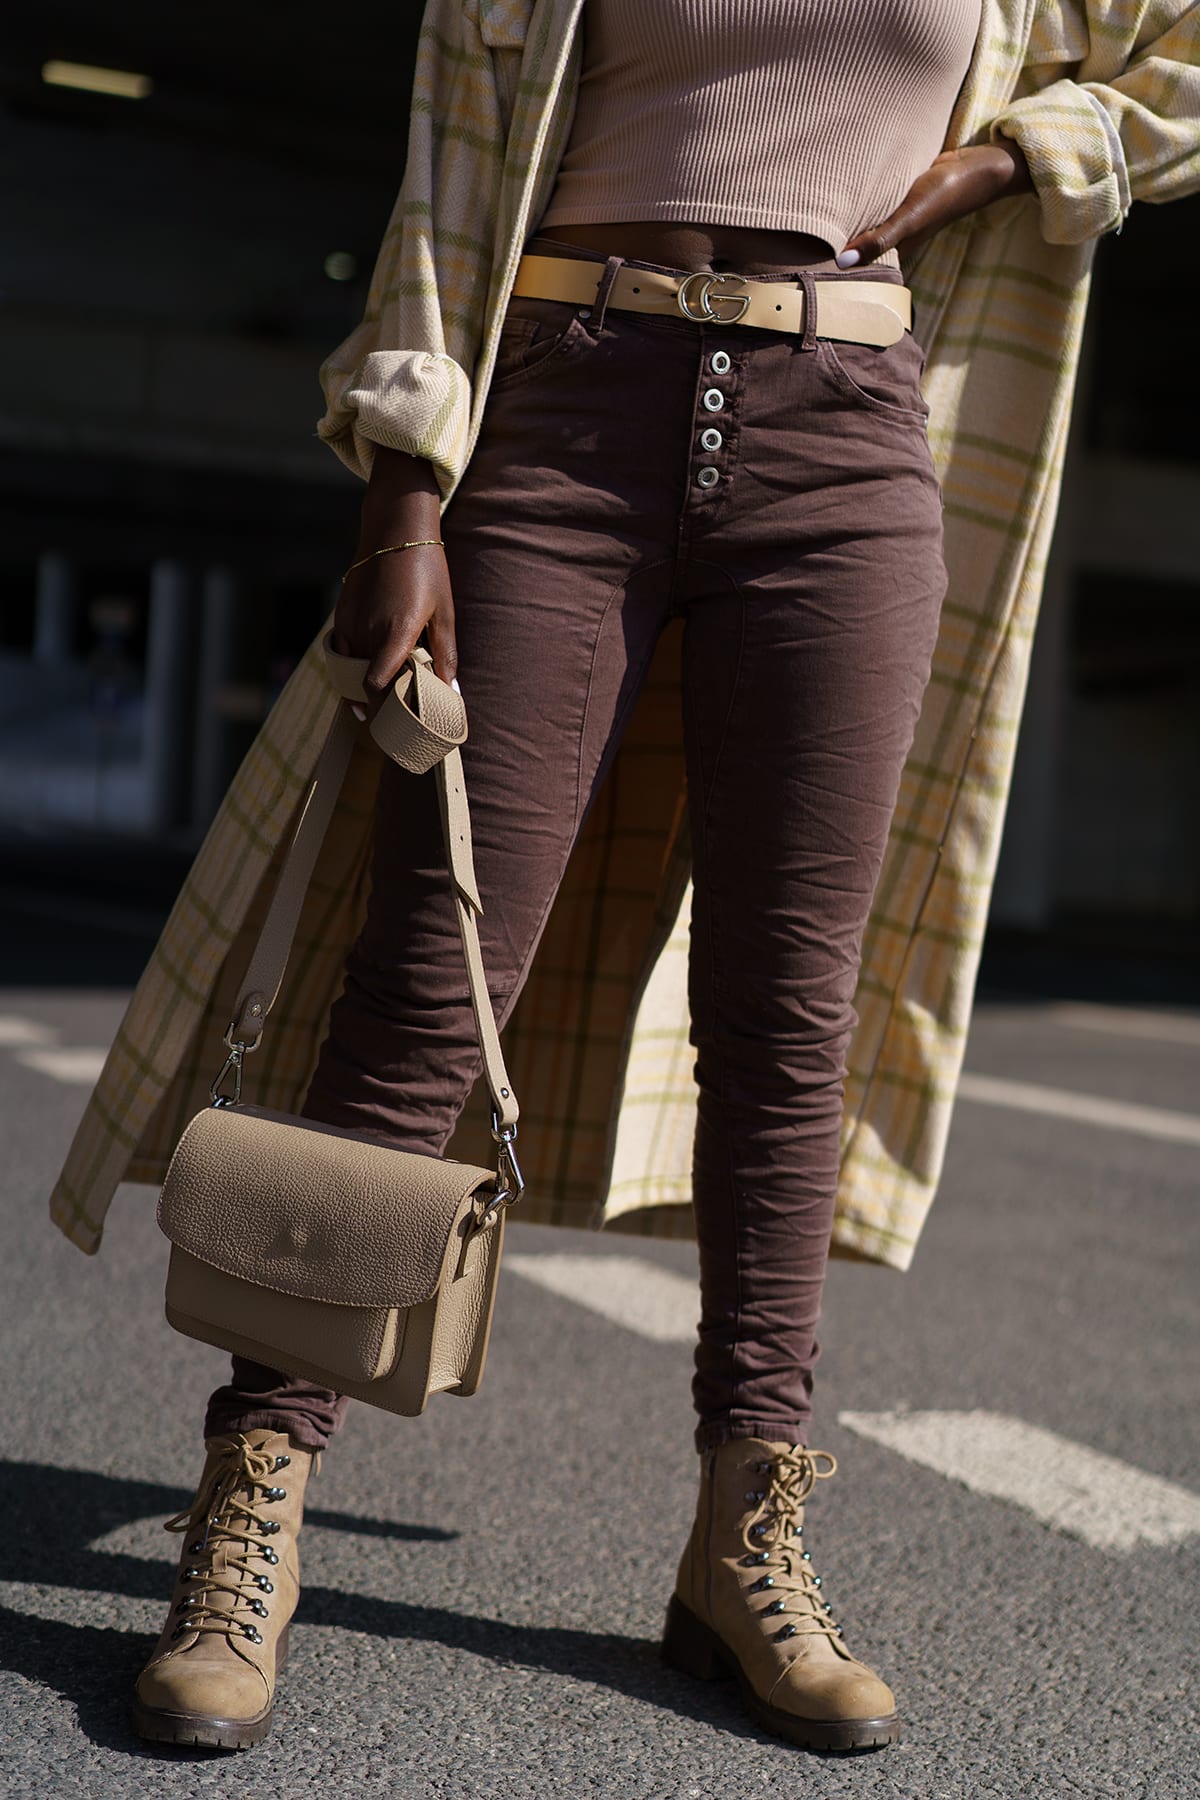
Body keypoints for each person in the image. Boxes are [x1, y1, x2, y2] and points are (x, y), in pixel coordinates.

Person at [50, 0, 1198, 1760]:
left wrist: (1017, 153)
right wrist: (402, 501)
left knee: (786, 1013)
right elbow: (445, 181)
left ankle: (747, 1537)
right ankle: (256, 1491)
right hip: (568, 413)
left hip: (848, 430)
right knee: (433, 975)